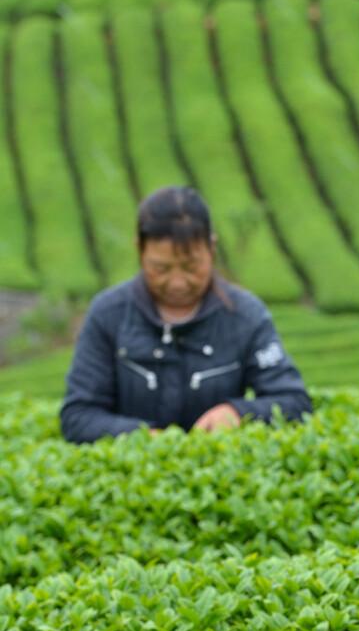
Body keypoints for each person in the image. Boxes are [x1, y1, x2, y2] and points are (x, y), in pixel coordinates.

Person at [60, 186, 311, 444]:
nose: (177, 282)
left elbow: (293, 401)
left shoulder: (245, 316)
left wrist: (237, 413)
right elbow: (78, 416)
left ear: (211, 249)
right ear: (140, 250)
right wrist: (143, 438)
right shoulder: (109, 315)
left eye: (191, 267)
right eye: (161, 268)